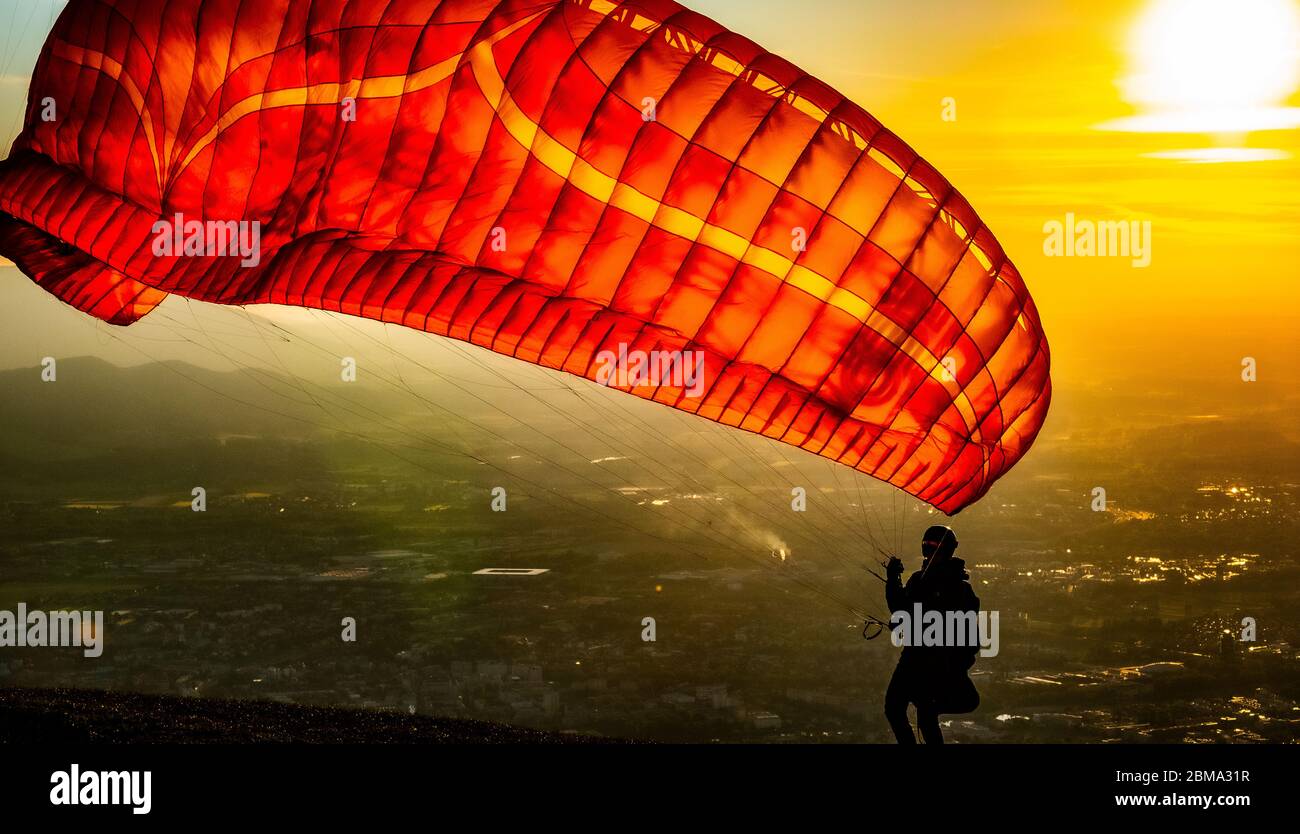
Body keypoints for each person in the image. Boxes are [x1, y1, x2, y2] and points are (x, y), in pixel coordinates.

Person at [883, 525, 981, 744]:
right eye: (927, 546)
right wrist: (893, 579)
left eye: (933, 546)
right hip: (921, 659)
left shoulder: (955, 589)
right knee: (909, 711)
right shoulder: (923, 581)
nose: (928, 550)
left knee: (913, 711)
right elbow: (901, 608)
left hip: (931, 662)